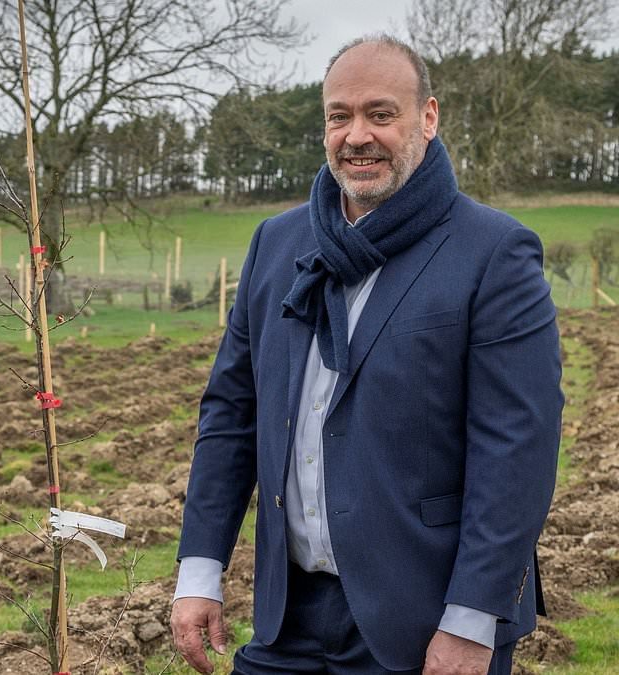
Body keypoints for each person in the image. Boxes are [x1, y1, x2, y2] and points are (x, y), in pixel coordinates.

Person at [171, 36, 562, 675]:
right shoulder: (276, 243)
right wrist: (199, 570)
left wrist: (471, 621)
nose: (357, 136)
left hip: (426, 619)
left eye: (381, 114)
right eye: (339, 116)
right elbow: (231, 416)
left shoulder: (494, 253)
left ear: (427, 118)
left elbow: (516, 449)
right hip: (287, 615)